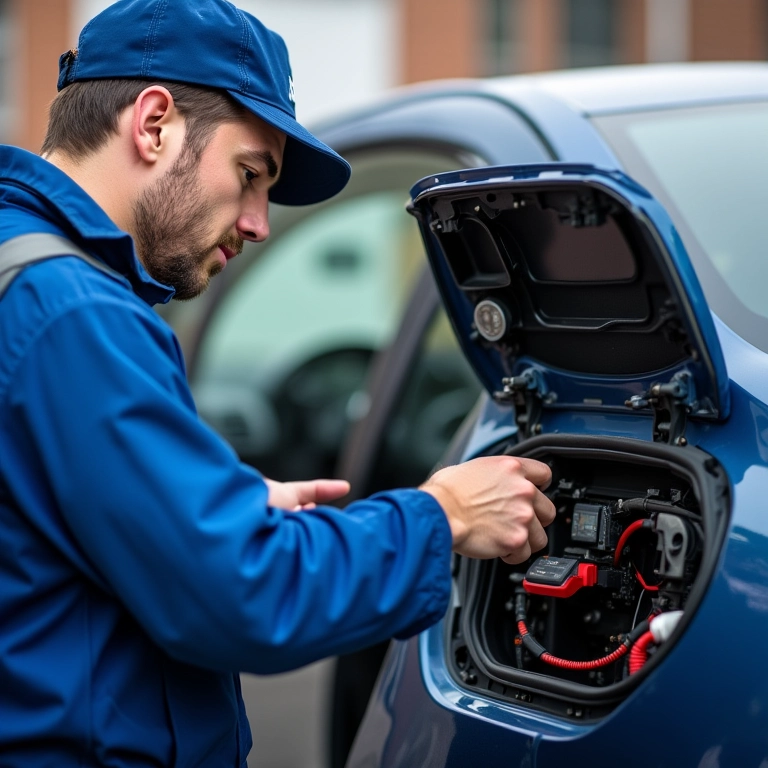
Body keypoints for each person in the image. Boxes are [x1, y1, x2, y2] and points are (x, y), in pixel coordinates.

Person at [0, 1, 556, 764]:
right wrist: (441, 516)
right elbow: (237, 593)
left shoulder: (20, 272)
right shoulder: (74, 314)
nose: (259, 223)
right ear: (154, 124)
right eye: (250, 174)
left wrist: (207, 510)